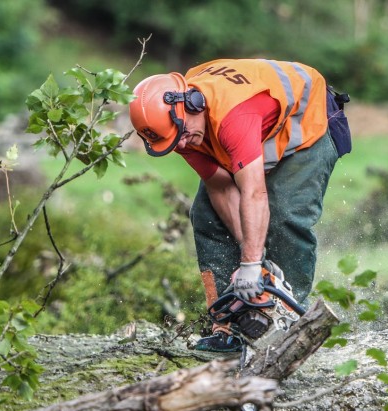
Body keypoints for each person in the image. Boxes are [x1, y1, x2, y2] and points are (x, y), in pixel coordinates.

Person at [129, 58, 350, 352]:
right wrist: (253, 260)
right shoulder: (181, 128)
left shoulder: (233, 115)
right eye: (172, 143)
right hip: (258, 132)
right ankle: (227, 325)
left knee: (285, 213)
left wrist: (250, 264)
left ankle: (291, 319)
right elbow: (220, 187)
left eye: (180, 135)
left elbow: (254, 193)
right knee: (207, 216)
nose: (181, 146)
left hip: (309, 122)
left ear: (192, 103)